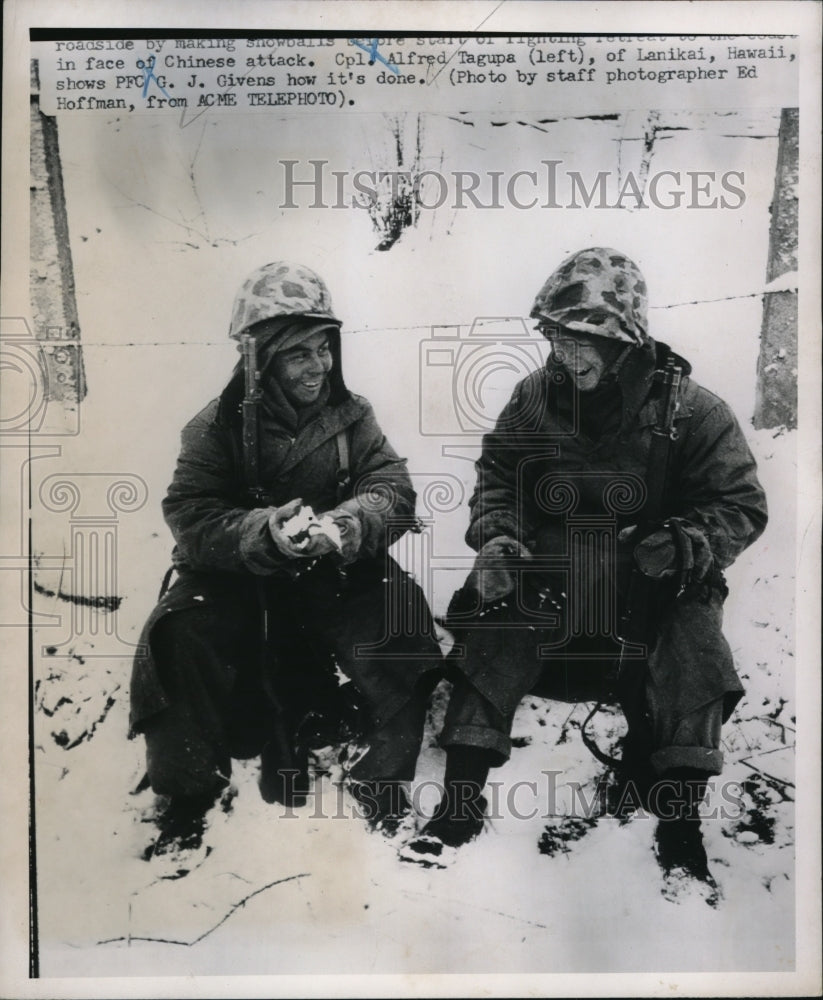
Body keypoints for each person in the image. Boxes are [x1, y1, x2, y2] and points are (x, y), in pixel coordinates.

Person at [417, 247, 767, 890]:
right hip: (554, 568)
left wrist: (688, 542)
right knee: (494, 622)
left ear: (625, 342)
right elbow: (500, 476)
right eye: (555, 336)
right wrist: (500, 540)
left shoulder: (693, 411)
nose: (566, 354)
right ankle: (459, 806)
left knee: (694, 650)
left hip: (648, 575)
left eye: (583, 340)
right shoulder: (534, 396)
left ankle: (679, 826)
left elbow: (740, 504)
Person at [130, 262, 442, 856]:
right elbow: (191, 515)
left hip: (333, 571)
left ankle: (382, 780)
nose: (318, 367)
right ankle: (187, 796)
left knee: (402, 622)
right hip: (238, 577)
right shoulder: (215, 426)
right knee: (176, 636)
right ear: (262, 359)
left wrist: (348, 523)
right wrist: (260, 533)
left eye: (324, 349)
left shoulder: (353, 417)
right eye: (299, 355)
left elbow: (391, 489)